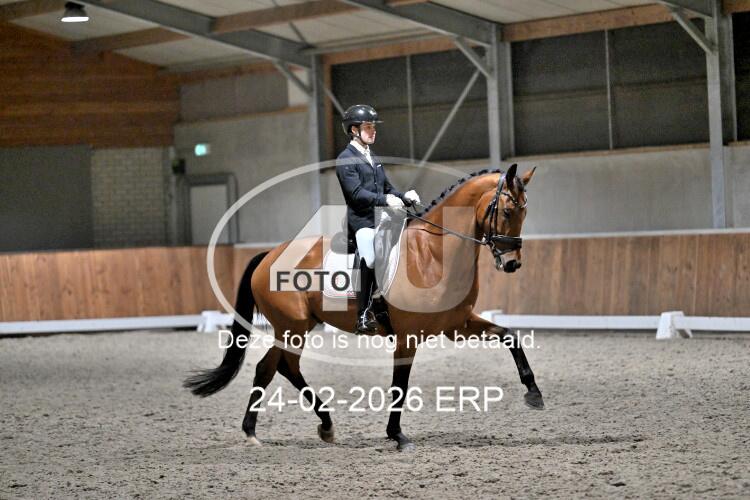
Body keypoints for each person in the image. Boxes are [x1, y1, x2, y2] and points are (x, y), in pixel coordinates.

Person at [335, 104, 420, 334]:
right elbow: (356, 194)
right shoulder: (345, 159)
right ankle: (363, 314)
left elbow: (387, 187)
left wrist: (403, 196)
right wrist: (385, 200)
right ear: (354, 130)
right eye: (368, 127)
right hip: (362, 221)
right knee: (370, 257)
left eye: (373, 127)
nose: (373, 131)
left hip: (383, 217)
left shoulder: (372, 157)